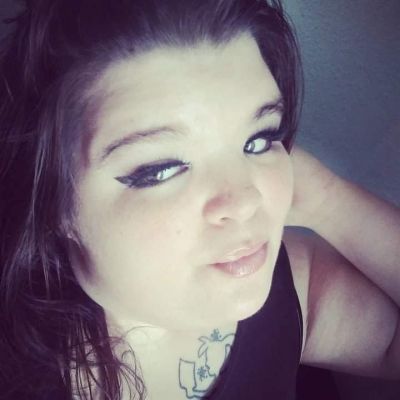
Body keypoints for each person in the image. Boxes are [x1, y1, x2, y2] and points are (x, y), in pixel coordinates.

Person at [0, 0, 399, 399]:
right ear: (53, 203)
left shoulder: (291, 279)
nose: (244, 202)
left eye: (259, 139)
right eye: (161, 169)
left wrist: (325, 197)